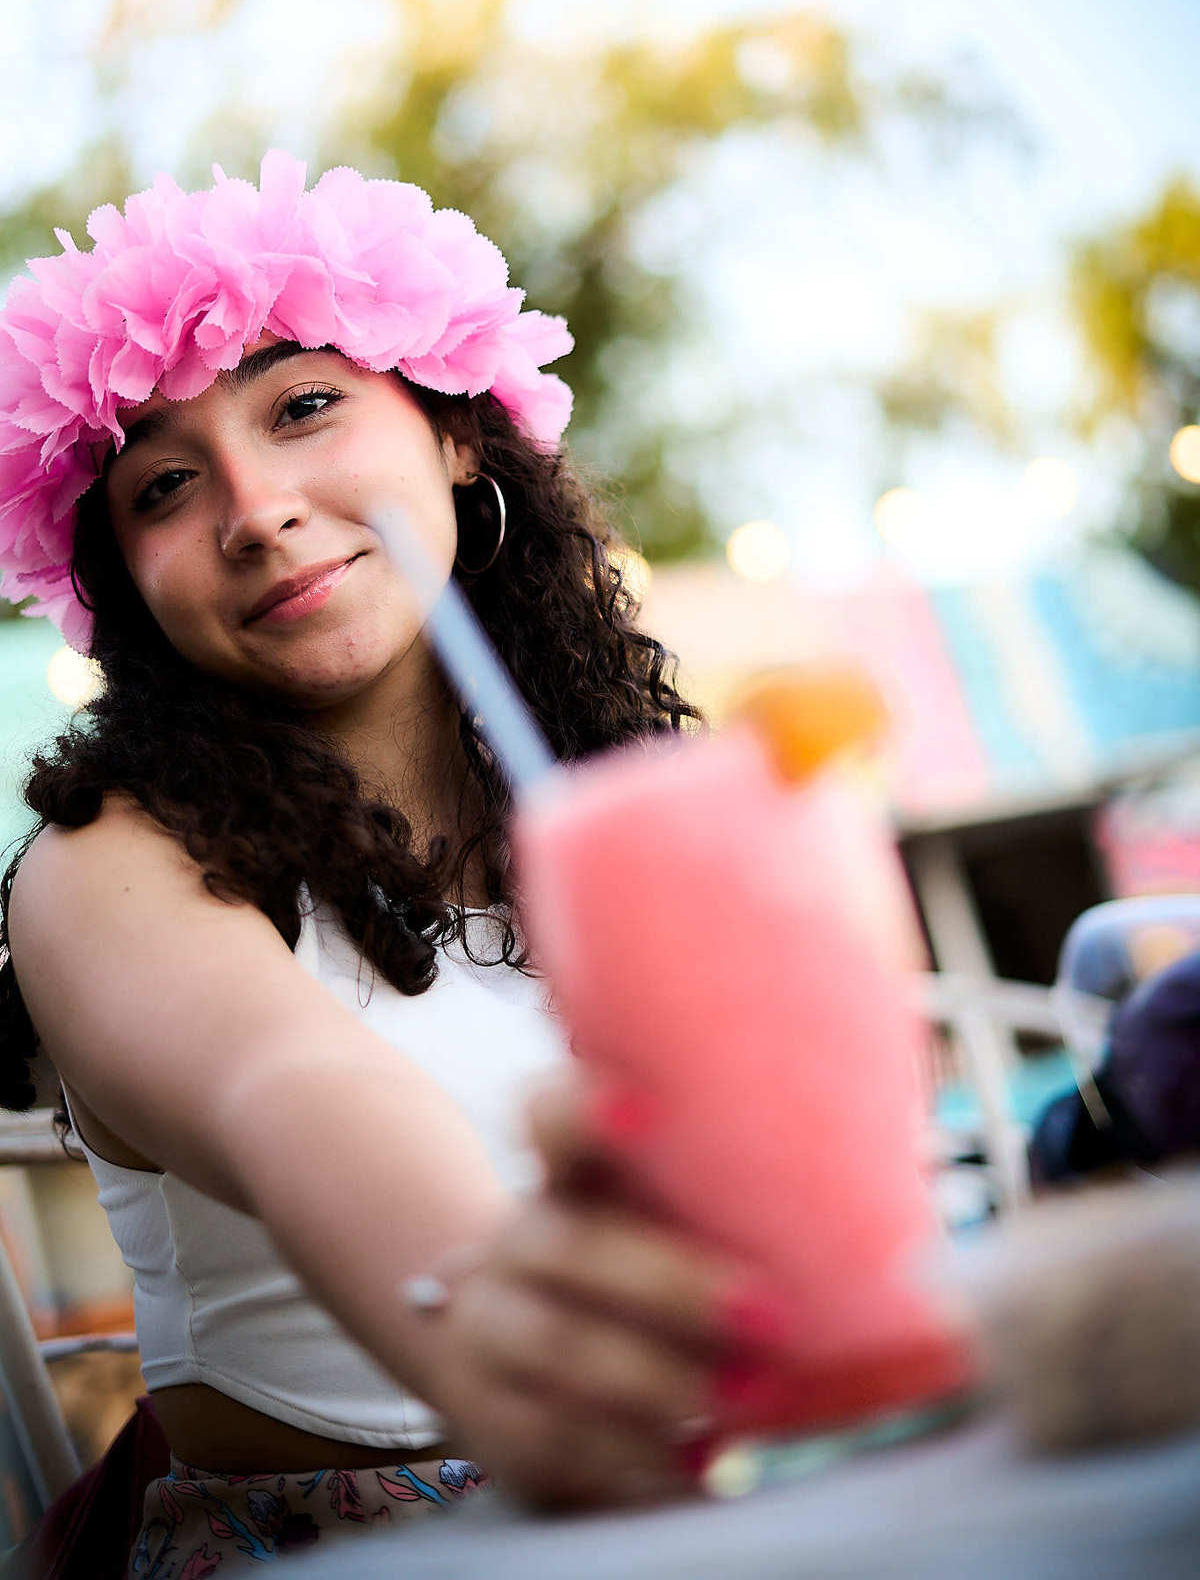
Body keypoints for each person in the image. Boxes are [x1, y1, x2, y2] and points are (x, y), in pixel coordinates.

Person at [0, 154, 762, 1574]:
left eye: (303, 407)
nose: (255, 507)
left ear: (456, 430)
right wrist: (532, 1345)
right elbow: (297, 1091)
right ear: (122, 581)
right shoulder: (108, 862)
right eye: (163, 484)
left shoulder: (637, 809)